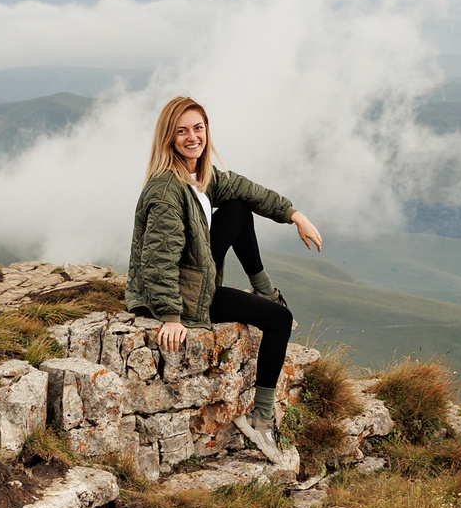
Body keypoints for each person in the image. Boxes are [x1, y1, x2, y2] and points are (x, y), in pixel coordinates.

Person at [125, 94, 323, 457]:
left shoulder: (198, 177)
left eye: (198, 128)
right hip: (186, 298)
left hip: (196, 276)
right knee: (280, 320)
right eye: (181, 131)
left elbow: (246, 190)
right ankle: (262, 422)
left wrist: (294, 215)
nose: (192, 137)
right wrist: (170, 316)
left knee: (237, 207)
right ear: (168, 137)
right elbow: (158, 258)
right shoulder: (167, 191)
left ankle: (264, 291)